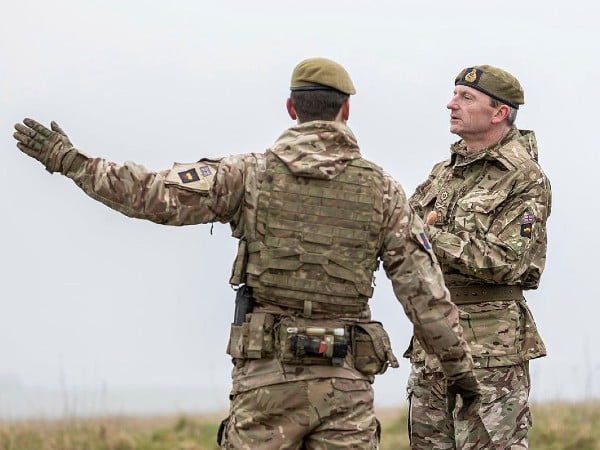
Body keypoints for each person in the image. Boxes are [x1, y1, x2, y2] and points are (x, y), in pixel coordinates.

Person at [14, 57, 480, 449]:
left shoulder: (247, 176)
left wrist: (69, 160)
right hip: (346, 384)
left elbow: (150, 195)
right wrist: (460, 371)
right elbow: (424, 292)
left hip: (265, 383)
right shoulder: (383, 192)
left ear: (291, 107)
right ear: (347, 110)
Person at [405, 64, 551, 449]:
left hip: (490, 353)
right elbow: (399, 230)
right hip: (433, 345)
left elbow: (510, 260)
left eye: (466, 98)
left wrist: (427, 235)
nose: (451, 104)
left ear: (499, 112)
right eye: (455, 95)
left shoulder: (524, 178)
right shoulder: (444, 173)